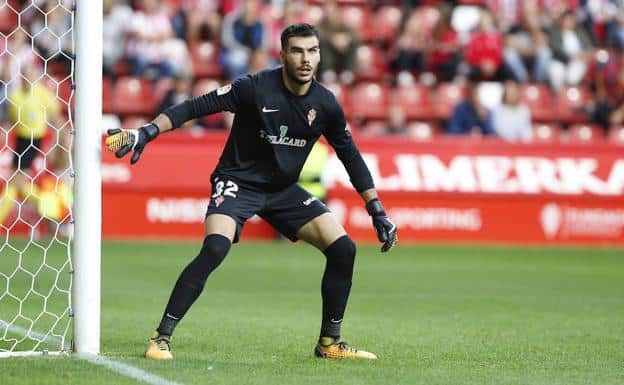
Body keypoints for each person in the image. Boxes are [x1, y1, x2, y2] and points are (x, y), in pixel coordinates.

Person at [105, 23, 397, 360]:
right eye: (298, 51)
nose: (306, 59)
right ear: (283, 54)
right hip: (238, 181)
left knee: (344, 249)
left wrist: (376, 208)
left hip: (283, 190)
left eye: (312, 51)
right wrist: (148, 131)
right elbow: (194, 107)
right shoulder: (254, 88)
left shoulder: (326, 104)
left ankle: (329, 344)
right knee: (215, 247)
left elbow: (351, 156)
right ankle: (161, 338)